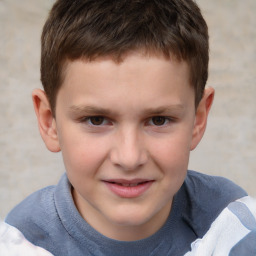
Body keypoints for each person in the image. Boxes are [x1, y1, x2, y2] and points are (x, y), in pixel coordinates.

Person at [4, 0, 255, 255]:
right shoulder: (21, 244)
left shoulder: (233, 229)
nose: (129, 158)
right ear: (50, 122)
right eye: (97, 120)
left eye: (159, 120)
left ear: (198, 119)